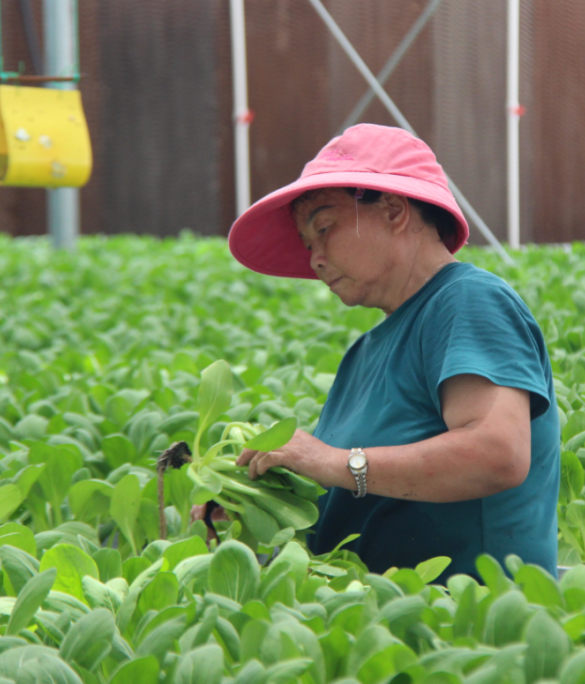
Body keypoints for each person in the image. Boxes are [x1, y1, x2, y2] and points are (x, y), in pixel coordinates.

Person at [221, 123, 559, 580]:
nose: (314, 258)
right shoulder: (363, 353)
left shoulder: (467, 301)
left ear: (395, 211)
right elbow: (353, 491)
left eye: (324, 228)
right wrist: (253, 499)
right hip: (382, 621)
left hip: (466, 622)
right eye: (307, 244)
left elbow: (498, 452)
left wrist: (334, 461)